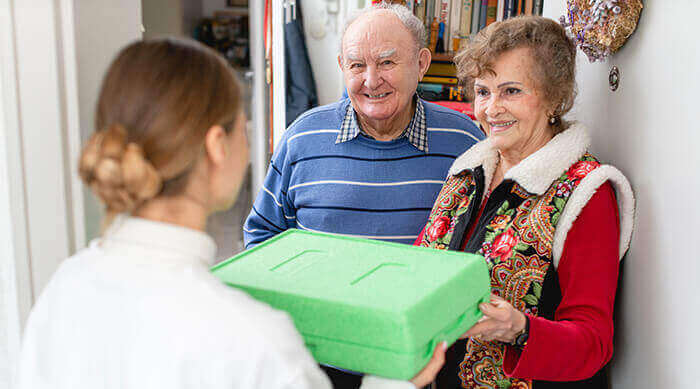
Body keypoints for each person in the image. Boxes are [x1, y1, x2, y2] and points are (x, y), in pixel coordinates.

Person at [16, 38, 447, 389]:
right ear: (216, 146)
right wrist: (395, 382)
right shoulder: (253, 338)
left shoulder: (65, 285)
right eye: (242, 123)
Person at [415, 16, 635, 388]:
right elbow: (423, 262)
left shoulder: (586, 192)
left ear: (554, 96)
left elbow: (594, 342)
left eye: (511, 91)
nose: (491, 109)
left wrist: (520, 329)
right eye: (483, 91)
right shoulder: (467, 170)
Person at [243, 3, 483, 249]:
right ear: (342, 66)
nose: (371, 81)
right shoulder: (301, 138)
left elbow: (488, 246)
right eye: (357, 65)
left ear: (421, 64)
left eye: (387, 62)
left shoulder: (466, 143)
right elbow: (262, 235)